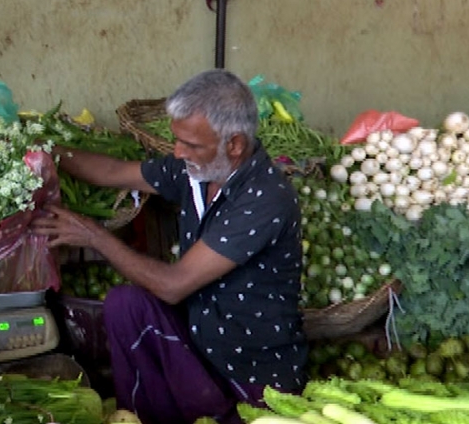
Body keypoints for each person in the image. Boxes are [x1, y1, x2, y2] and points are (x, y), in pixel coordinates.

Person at [33, 69, 309, 424]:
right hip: (203, 342)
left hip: (250, 372)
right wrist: (46, 151)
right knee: (126, 305)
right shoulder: (195, 170)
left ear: (235, 145)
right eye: (177, 140)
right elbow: (113, 172)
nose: (178, 152)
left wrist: (93, 236)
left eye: (191, 144)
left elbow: (173, 285)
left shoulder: (264, 198)